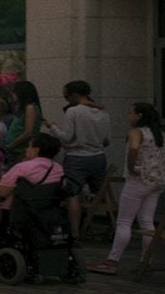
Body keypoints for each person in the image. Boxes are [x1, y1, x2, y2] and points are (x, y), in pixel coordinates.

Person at [88, 102, 165, 275]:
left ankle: (112, 261)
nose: (128, 116)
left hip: (138, 179)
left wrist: (132, 166)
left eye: (131, 112)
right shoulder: (159, 134)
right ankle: (146, 260)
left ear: (139, 115)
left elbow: (133, 148)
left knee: (124, 221)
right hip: (157, 181)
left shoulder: (136, 132)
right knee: (147, 221)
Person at [46, 80, 111, 239]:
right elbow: (106, 140)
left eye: (67, 96)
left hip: (77, 157)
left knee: (72, 193)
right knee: (102, 191)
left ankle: (75, 234)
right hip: (99, 156)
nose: (66, 100)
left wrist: (52, 127)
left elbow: (67, 137)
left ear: (74, 95)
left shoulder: (73, 112)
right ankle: (114, 224)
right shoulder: (103, 112)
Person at [0, 132, 66, 210]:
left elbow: (2, 192)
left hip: (16, 211)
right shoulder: (59, 169)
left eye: (29, 146)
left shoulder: (22, 168)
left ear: (36, 150)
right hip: (44, 210)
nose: (26, 149)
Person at [4, 80, 45, 156]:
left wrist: (11, 145)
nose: (12, 94)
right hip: (16, 150)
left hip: (20, 150)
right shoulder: (24, 108)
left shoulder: (30, 108)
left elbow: (28, 132)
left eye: (14, 92)